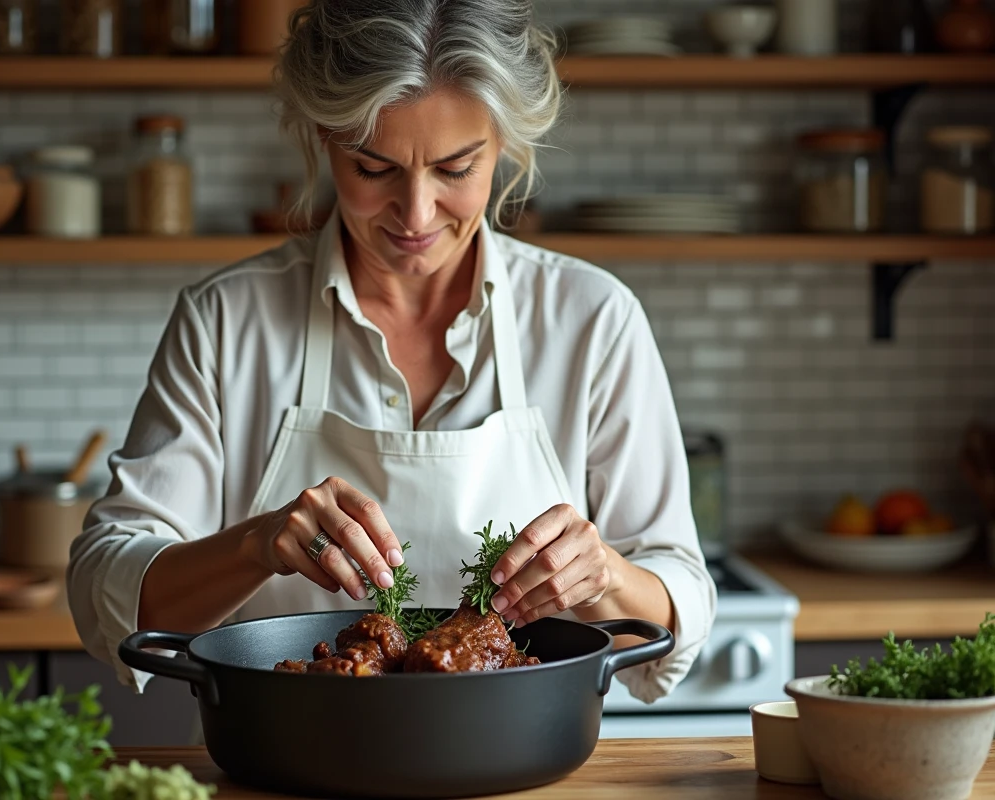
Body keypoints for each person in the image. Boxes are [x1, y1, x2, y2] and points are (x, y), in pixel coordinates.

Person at [67, 0, 716, 719]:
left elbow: (676, 606)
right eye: (374, 167)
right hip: (286, 764)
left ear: (504, 146)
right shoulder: (226, 320)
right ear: (322, 139)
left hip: (527, 768)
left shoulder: (592, 319)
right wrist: (255, 545)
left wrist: (605, 576)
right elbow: (106, 593)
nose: (415, 214)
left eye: (455, 168)